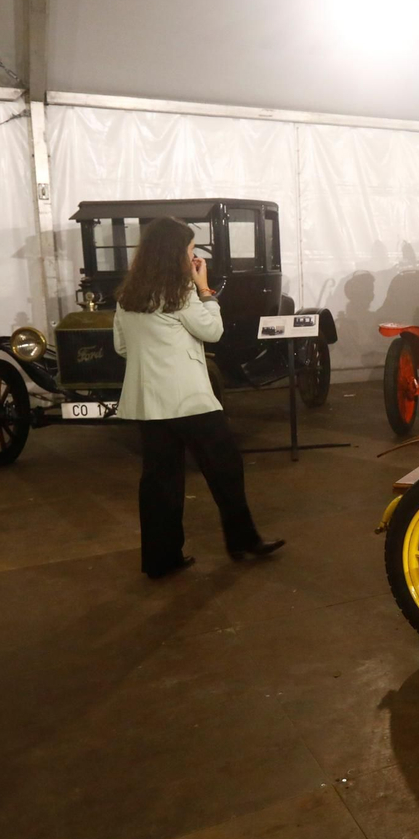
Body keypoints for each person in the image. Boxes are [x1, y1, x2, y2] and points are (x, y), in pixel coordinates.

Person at [113, 217, 284, 579]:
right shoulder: (181, 293)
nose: (194, 256)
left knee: (161, 482)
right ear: (174, 253)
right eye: (190, 249)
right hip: (189, 399)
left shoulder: (128, 297)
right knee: (225, 469)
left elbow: (122, 346)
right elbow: (214, 331)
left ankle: (161, 559)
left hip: (149, 401)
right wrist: (205, 289)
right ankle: (243, 541)